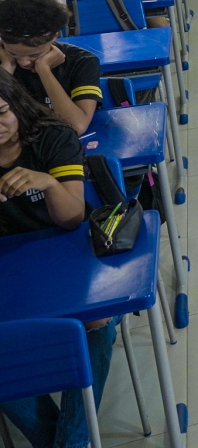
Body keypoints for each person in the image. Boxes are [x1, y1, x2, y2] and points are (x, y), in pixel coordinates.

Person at [0, 71, 118, 448]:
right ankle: (66, 442)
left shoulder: (51, 136)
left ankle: (70, 443)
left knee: (96, 321)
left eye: (1, 113)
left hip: (71, 251)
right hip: (12, 267)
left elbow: (71, 219)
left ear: (16, 106)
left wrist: (48, 183)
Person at [0, 0, 101, 136]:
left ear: (54, 37)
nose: (24, 62)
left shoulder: (82, 62)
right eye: (13, 53)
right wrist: (6, 69)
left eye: (34, 55)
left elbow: (75, 127)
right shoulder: (3, 63)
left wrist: (44, 70)